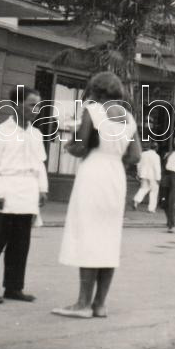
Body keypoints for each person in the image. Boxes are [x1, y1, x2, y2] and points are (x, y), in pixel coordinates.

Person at [53, 72, 141, 318]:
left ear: (97, 91)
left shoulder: (93, 111)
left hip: (94, 173)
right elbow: (135, 156)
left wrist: (68, 144)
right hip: (115, 177)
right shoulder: (129, 118)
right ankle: (100, 304)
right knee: (108, 239)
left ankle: (82, 303)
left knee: (88, 236)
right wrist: (115, 158)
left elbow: (81, 147)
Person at [0, 87, 48, 304]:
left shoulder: (36, 134)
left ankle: (14, 287)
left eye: (37, 106)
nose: (35, 111)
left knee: (20, 246)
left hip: (26, 195)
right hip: (4, 194)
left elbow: (40, 164)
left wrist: (42, 188)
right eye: (30, 105)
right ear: (16, 105)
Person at [132, 142, 162, 213]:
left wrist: (139, 174)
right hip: (153, 176)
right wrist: (158, 178)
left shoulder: (143, 154)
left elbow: (138, 164)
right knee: (154, 191)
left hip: (144, 174)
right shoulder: (156, 156)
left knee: (143, 188)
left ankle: (136, 200)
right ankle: (151, 208)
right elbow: (157, 167)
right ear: (156, 148)